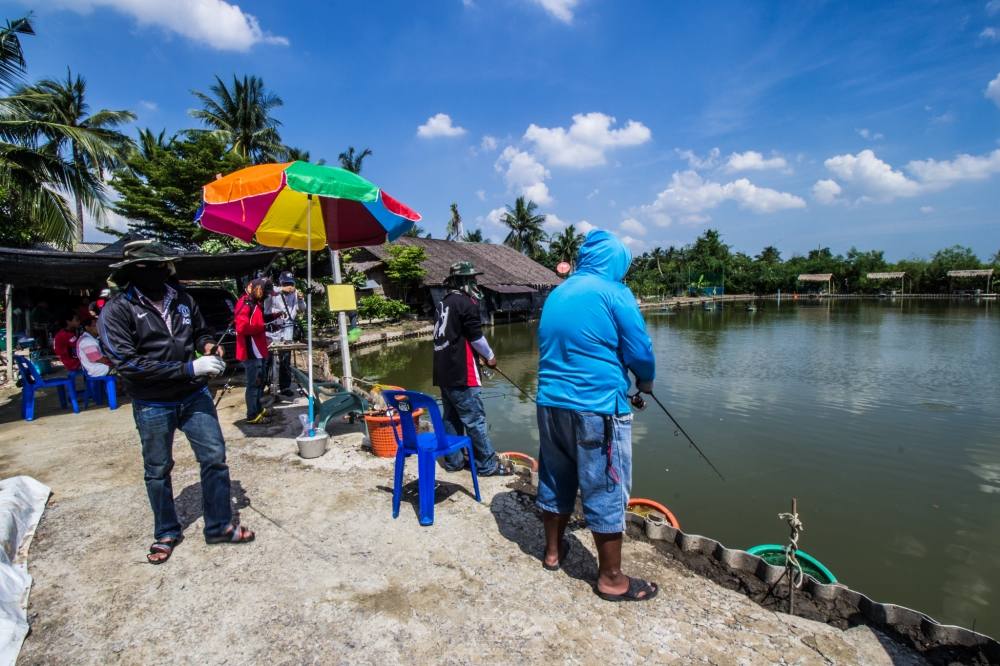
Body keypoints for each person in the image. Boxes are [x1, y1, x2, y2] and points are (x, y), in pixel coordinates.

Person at [99, 240, 254, 564]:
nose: (155, 273)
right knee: (157, 468)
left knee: (214, 456)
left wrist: (210, 345)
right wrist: (187, 367)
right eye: (145, 268)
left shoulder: (183, 299)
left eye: (159, 266)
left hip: (194, 394)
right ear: (131, 272)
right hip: (153, 402)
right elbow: (128, 364)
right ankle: (166, 532)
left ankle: (220, 525)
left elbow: (200, 332)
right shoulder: (117, 310)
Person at [535, 230, 658, 601]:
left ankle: (553, 553)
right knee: (606, 486)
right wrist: (646, 383)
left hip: (550, 404)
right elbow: (640, 350)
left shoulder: (558, 292)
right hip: (598, 406)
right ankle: (612, 579)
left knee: (555, 476)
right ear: (616, 262)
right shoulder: (615, 292)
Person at [432, 261, 510, 476]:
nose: (475, 281)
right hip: (462, 372)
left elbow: (455, 336)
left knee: (451, 418)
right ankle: (487, 465)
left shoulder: (443, 302)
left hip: (443, 371)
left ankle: (454, 461)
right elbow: (476, 337)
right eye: (471, 278)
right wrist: (490, 357)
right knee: (475, 420)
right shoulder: (467, 303)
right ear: (462, 281)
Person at [236, 277, 283, 423]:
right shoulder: (245, 304)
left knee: (260, 382)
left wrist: (273, 318)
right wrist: (264, 327)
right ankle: (252, 415)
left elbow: (260, 320)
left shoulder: (255, 304)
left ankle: (257, 408)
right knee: (254, 384)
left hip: (259, 349)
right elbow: (241, 327)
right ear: (258, 289)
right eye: (265, 292)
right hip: (251, 352)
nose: (267, 296)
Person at [269, 271, 304, 399]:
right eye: (286, 283)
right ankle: (269, 385)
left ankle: (285, 387)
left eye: (291, 283)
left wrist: (300, 300)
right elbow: (268, 291)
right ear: (281, 283)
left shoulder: (295, 293)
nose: (289, 286)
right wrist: (281, 289)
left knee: (285, 360)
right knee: (269, 359)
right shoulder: (274, 292)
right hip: (273, 330)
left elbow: (302, 309)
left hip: (288, 330)